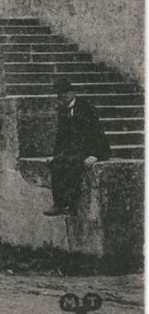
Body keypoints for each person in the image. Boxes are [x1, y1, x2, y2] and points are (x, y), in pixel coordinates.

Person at [44, 76, 111, 216]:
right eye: (61, 95)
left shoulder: (86, 108)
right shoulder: (63, 110)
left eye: (67, 93)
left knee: (73, 165)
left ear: (73, 93)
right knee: (56, 164)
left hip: (90, 148)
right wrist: (55, 156)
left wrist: (95, 155)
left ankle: (72, 205)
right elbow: (61, 137)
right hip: (73, 149)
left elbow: (96, 133)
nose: (64, 97)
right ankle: (59, 204)